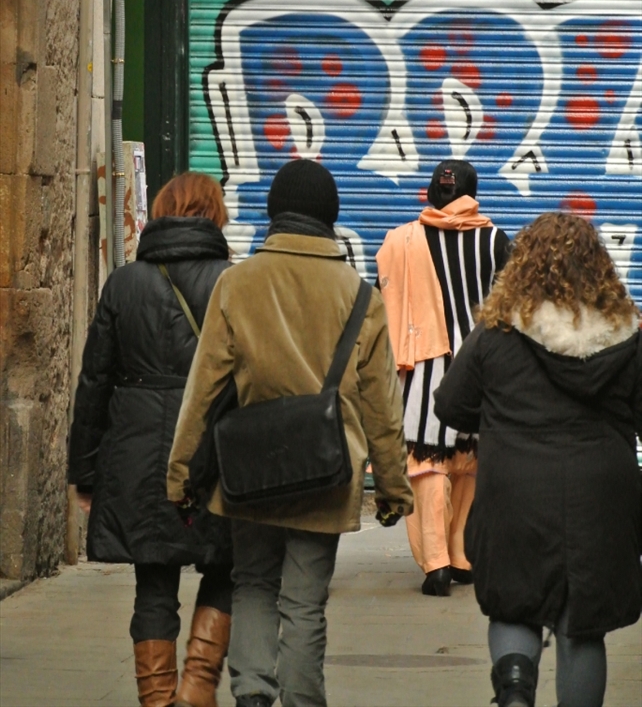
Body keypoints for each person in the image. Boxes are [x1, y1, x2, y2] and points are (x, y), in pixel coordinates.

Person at [167, 159, 413, 707]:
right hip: (326, 473)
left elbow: (202, 390)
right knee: (304, 604)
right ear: (331, 218)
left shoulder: (238, 284)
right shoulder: (360, 298)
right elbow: (382, 407)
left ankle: (252, 695)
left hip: (250, 470)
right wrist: (393, 488)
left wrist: (180, 472)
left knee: (252, 583)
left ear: (274, 213)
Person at [433, 212, 641, 707]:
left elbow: (450, 406)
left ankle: (514, 691)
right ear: (599, 268)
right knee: (582, 628)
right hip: (600, 496)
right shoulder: (629, 338)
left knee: (514, 604)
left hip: (515, 491)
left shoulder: (496, 333)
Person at [68, 172, 234, 707]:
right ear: (214, 214)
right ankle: (197, 686)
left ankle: (159, 700)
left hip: (138, 451)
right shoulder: (232, 282)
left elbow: (94, 382)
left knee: (154, 582)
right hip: (214, 448)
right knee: (225, 566)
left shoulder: (123, 282)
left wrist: (86, 471)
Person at [376, 159, 511, 596]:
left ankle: (435, 564)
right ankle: (461, 556)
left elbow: (383, 302)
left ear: (432, 191)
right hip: (480, 372)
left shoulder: (400, 241)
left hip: (422, 372)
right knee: (469, 464)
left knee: (425, 464)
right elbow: (513, 306)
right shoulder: (494, 241)